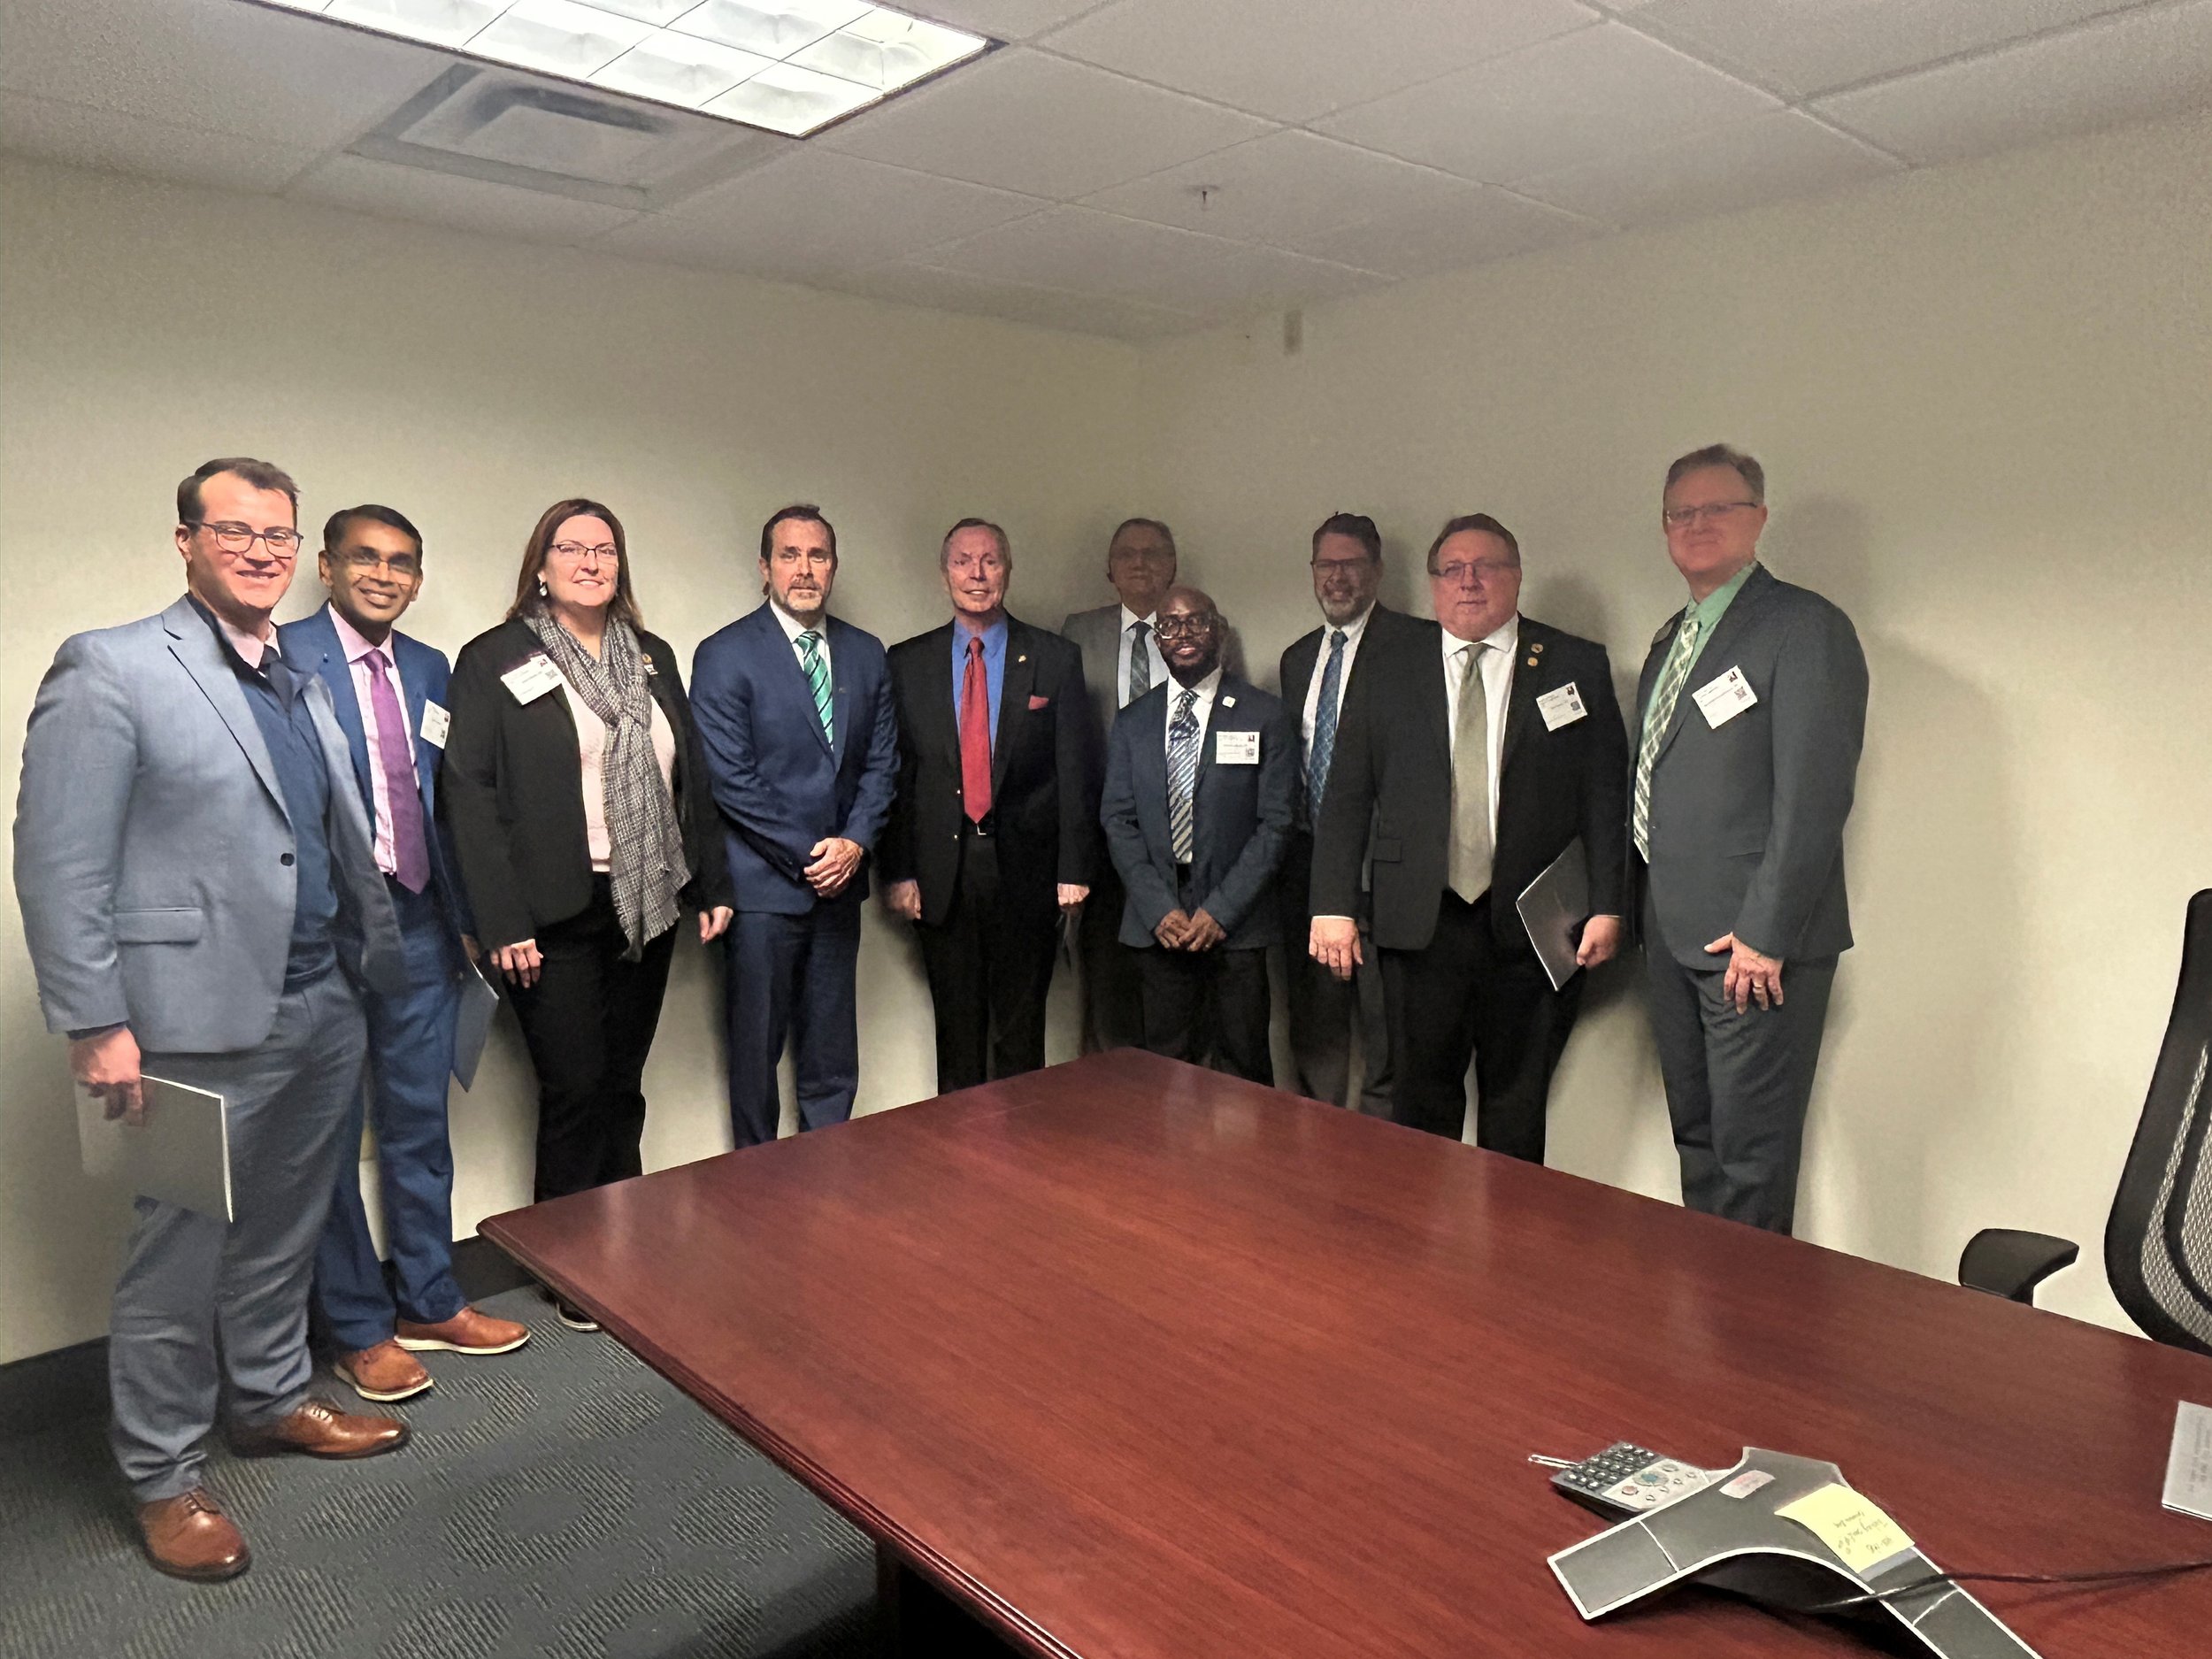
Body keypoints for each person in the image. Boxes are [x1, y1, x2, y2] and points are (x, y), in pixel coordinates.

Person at [14, 457, 411, 1582]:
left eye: (279, 535)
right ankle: (162, 1475)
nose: (260, 551)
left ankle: (273, 1397)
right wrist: (97, 1022)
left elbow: (323, 836)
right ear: (184, 540)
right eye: (234, 530)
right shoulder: (114, 666)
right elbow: (58, 862)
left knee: (285, 1231)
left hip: (319, 1003)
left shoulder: (301, 677)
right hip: (189, 1023)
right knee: (179, 1259)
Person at [442, 498, 733, 1327]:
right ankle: (568, 1264)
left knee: (622, 1083)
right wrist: (501, 922)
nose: (590, 561)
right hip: (549, 912)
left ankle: (621, 1234)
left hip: (644, 902)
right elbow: (470, 794)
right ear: (541, 564)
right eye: (571, 547)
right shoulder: (495, 657)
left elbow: (692, 777)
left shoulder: (652, 657)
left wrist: (709, 886)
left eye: (605, 548)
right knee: (573, 1087)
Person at [280, 506, 530, 1404]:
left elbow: (448, 801)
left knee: (421, 1122)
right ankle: (356, 1325)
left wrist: (467, 917)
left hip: (422, 926)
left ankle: (430, 1297)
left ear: (416, 578)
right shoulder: (281, 656)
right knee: (331, 1137)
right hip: (327, 933)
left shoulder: (430, 668)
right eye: (365, 559)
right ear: (327, 566)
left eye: (401, 563)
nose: (384, 575)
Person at [1311, 514, 1628, 1161]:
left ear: (1516, 577)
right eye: (1453, 569)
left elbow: (1605, 795)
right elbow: (1345, 792)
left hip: (1536, 925)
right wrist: (1331, 904)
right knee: (1419, 1107)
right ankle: (1418, 1255)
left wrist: (1611, 902)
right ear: (1433, 585)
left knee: (1517, 1108)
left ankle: (1507, 1254)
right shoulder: (1387, 664)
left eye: (1487, 566)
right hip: (1418, 923)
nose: (1470, 581)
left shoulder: (1573, 663)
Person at [1633, 445, 1867, 1233]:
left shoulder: (1803, 627)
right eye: (1680, 512)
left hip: (1752, 950)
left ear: (1758, 519)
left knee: (1751, 1161)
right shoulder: (1673, 639)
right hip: (1673, 938)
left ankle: (1754, 1342)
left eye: (1717, 508)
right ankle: (1711, 1322)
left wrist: (1766, 934)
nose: (1696, 524)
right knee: (1698, 1144)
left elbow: (1814, 795)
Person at [691, 504, 898, 1148]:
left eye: (817, 556)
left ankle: (829, 1182)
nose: (804, 569)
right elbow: (731, 780)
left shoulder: (866, 654)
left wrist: (855, 843)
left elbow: (883, 763)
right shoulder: (725, 654)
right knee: (756, 1052)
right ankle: (756, 1189)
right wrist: (815, 855)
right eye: (789, 555)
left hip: (841, 889)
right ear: (764, 568)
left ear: (833, 567)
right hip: (763, 893)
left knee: (833, 1050)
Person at [881, 518, 1094, 1092]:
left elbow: (1075, 770)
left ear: (1008, 569)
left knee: (1022, 1031)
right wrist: (899, 870)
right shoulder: (908, 662)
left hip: (1029, 870)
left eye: (990, 561)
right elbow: (898, 775)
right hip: (942, 873)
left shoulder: (1054, 657)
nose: (977, 574)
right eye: (963, 561)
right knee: (957, 1030)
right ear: (944, 572)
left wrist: (1074, 871)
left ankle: (1022, 1163)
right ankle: (961, 1165)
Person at [1101, 586, 1293, 1084]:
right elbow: (1118, 820)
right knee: (1167, 1073)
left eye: (1195, 621)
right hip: (1160, 919)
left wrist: (1221, 912)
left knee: (1245, 1067)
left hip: (1237, 923)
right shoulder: (1133, 721)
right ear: (1157, 640)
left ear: (1219, 630)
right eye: (1169, 624)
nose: (1181, 633)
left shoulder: (1262, 714)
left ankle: (1247, 1165)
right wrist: (1157, 907)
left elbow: (1276, 823)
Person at [1275, 512, 1413, 1117]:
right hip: (1309, 864)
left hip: (1386, 869)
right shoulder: (1297, 658)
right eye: (1326, 564)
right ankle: (1315, 1156)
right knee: (1317, 1028)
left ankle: (1384, 1170)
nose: (1337, 577)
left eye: (1350, 564)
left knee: (1389, 1034)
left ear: (1376, 571)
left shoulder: (1417, 648)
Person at [1061, 518, 1178, 1055]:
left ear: (1172, 566)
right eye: (1127, 554)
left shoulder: (1201, 626)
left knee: (1173, 980)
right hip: (1103, 834)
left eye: (1153, 553)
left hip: (1180, 832)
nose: (1139, 563)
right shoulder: (1077, 633)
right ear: (1109, 570)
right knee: (1106, 977)